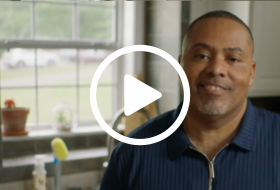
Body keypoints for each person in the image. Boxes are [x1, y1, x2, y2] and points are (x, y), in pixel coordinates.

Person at [100, 10, 280, 190]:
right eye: (202, 56)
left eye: (233, 58)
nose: (216, 69)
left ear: (251, 73)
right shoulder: (131, 154)